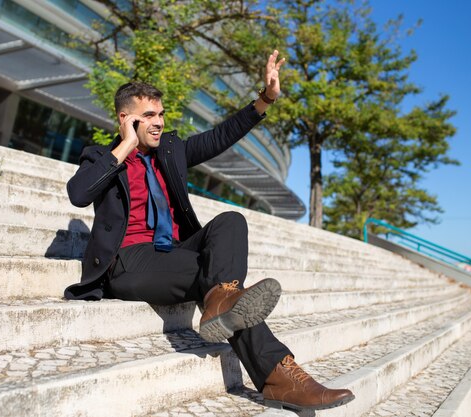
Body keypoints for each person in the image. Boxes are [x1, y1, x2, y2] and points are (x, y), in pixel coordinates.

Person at [64, 50, 355, 412]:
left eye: (161, 114)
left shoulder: (170, 152)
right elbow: (78, 194)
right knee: (221, 286)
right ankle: (282, 377)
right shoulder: (102, 157)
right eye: (148, 116)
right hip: (128, 261)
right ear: (126, 119)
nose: (158, 122)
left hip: (171, 252)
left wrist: (265, 99)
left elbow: (220, 136)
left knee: (232, 223)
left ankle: (223, 301)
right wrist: (126, 146)